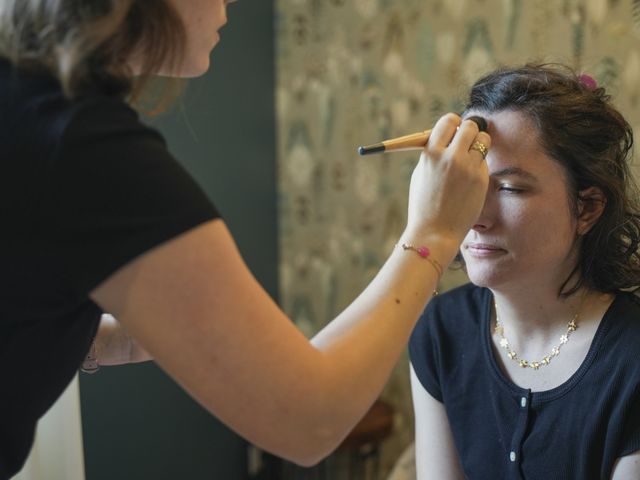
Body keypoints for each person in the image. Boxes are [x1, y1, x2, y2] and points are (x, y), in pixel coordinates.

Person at [0, 1, 492, 477]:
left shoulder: (24, 102)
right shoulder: (85, 153)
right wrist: (434, 232)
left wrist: (90, 338)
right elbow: (309, 421)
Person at [409, 63, 640, 479]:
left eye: (510, 188)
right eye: (470, 184)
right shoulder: (440, 330)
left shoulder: (632, 359)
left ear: (586, 207)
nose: (477, 216)